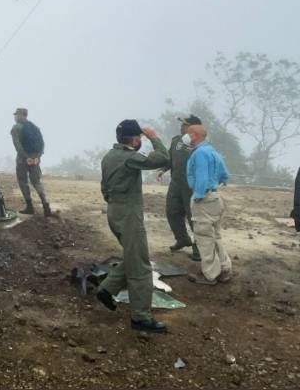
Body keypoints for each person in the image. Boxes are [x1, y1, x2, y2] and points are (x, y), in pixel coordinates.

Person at [93, 120, 170, 333]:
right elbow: (163, 158)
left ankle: (107, 289)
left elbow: (104, 187)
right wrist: (154, 137)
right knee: (141, 268)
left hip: (114, 211)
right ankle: (141, 318)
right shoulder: (129, 158)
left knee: (133, 257)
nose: (140, 142)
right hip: (128, 215)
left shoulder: (109, 156)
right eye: (140, 139)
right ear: (134, 139)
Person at [185, 124, 233, 285]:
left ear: (194, 135)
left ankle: (210, 275)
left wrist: (199, 195)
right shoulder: (213, 152)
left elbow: (202, 176)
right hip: (216, 197)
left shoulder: (199, 153)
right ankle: (224, 269)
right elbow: (225, 176)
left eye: (187, 133)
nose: (185, 137)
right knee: (216, 235)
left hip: (204, 198)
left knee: (204, 237)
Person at [156, 115, 201, 262]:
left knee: (194, 217)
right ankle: (182, 239)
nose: (182, 127)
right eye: (182, 124)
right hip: (175, 184)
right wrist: (163, 169)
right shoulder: (176, 140)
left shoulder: (199, 144)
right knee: (172, 212)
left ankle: (198, 248)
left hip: (192, 186)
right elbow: (170, 158)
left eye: (185, 125)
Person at [10, 108, 52, 216]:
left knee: (22, 181)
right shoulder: (35, 127)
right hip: (35, 159)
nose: (15, 117)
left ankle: (30, 207)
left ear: (21, 115)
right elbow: (42, 144)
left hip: (23, 159)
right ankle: (45, 205)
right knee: (36, 182)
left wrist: (25, 157)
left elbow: (17, 145)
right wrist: (38, 157)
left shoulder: (16, 128)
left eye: (17, 115)